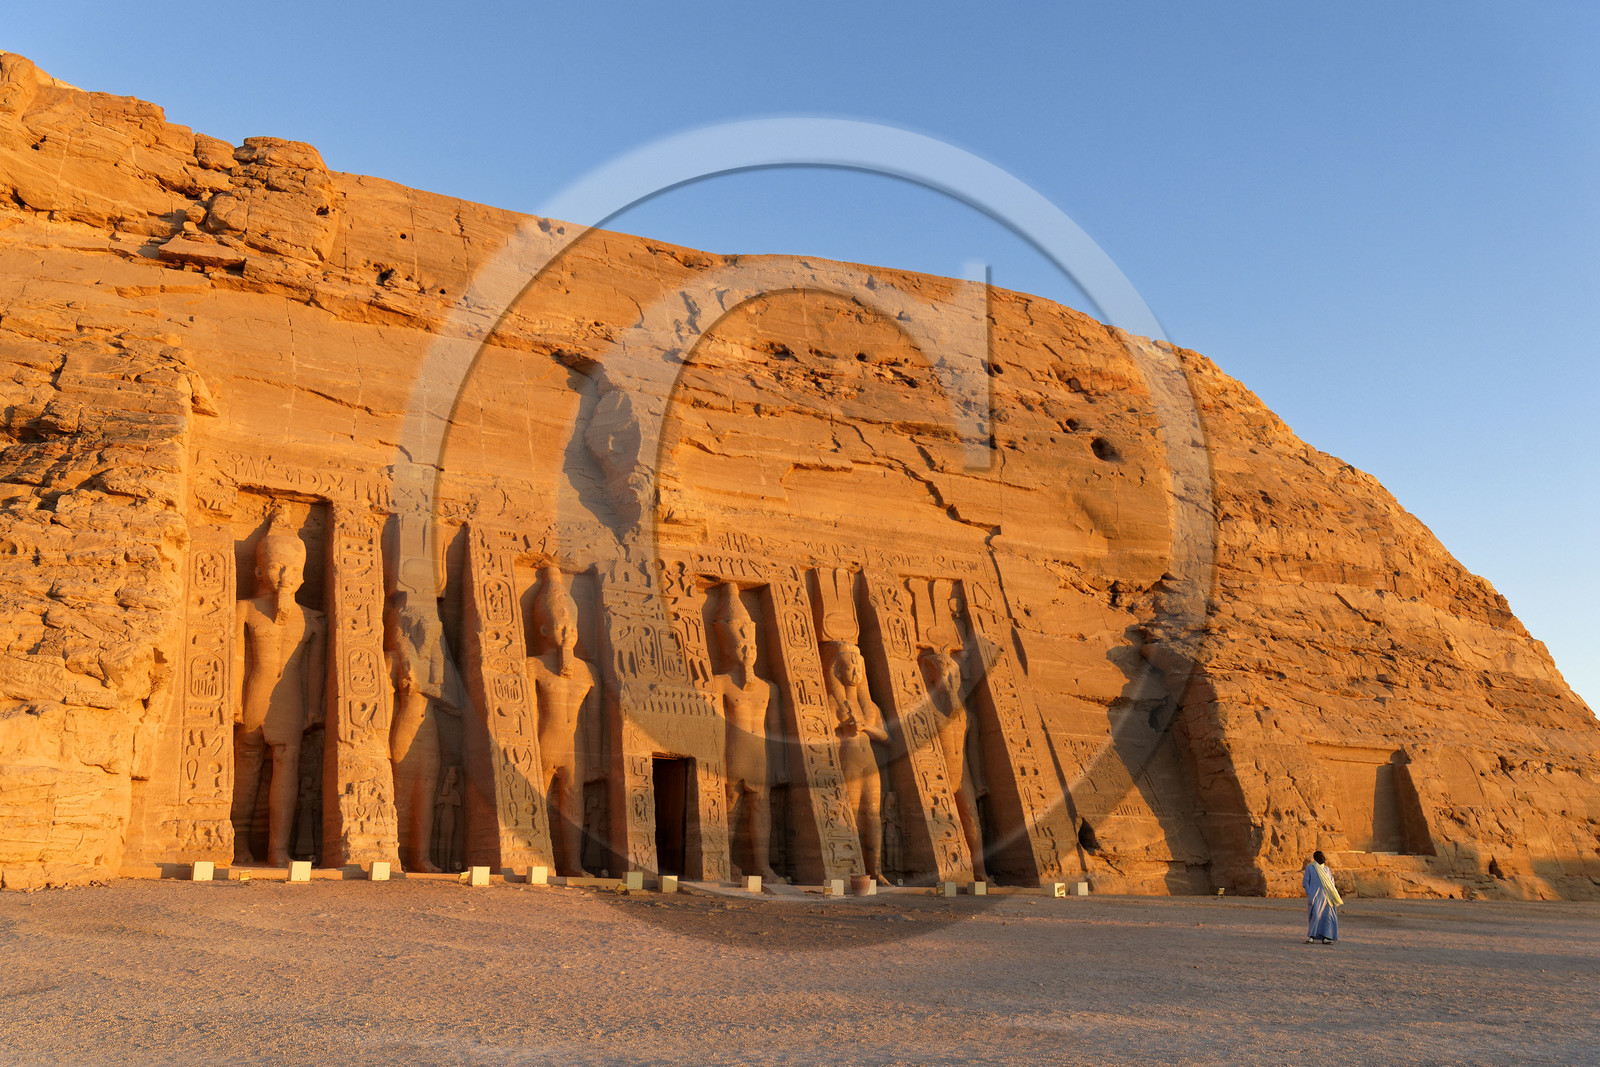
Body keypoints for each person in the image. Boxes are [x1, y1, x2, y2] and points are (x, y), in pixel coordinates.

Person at [1303, 849, 1343, 943]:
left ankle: (1326, 937)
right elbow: (1305, 882)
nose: (1323, 858)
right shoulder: (1310, 868)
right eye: (1320, 856)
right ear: (1315, 858)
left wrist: (1333, 894)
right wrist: (1310, 893)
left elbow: (1331, 882)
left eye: (1323, 856)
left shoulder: (1327, 869)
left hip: (1328, 897)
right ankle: (1312, 937)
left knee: (1327, 917)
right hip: (1316, 896)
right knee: (1316, 915)